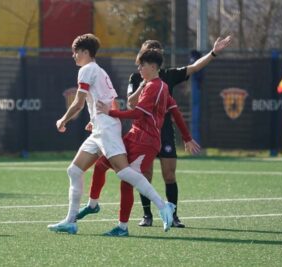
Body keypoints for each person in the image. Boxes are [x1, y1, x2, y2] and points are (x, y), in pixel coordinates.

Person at [80, 36, 232, 229]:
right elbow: (133, 103)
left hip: (149, 138)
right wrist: (99, 120)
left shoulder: (160, 84)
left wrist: (108, 112)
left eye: (143, 63)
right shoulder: (142, 80)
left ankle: (158, 212)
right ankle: (104, 207)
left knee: (153, 176)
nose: (139, 67)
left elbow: (140, 111)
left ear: (153, 64)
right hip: (136, 136)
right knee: (106, 166)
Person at [47, 33, 175, 235]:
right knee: (74, 171)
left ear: (85, 52)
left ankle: (162, 205)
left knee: (123, 172)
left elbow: (79, 102)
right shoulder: (98, 71)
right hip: (101, 127)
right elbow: (110, 102)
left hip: (106, 129)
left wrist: (63, 120)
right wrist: (95, 120)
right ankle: (71, 222)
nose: (73, 56)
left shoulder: (87, 70)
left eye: (75, 52)